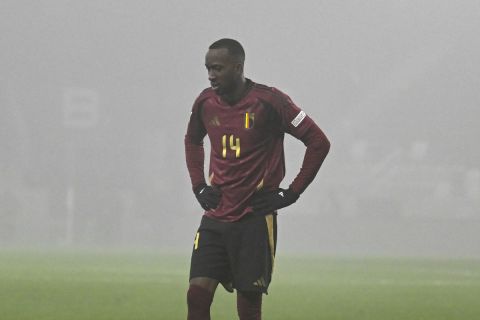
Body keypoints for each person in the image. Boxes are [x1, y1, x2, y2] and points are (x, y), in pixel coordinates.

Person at [184, 38, 330, 320]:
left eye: (218, 68)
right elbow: (192, 140)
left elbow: (318, 142)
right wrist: (198, 185)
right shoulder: (205, 102)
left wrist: (291, 192)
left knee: (248, 305)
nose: (211, 75)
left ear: (238, 67)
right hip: (215, 217)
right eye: (208, 68)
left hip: (254, 218)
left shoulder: (270, 101)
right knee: (196, 296)